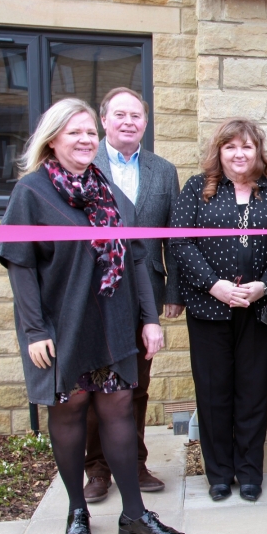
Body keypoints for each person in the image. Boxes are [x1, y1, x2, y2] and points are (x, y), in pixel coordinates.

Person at [0, 98, 185, 534]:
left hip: (113, 324)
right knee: (70, 413)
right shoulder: (33, 193)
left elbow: (137, 259)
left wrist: (148, 319)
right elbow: (20, 266)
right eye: (73, 132)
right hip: (63, 326)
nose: (84, 140)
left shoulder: (108, 191)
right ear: (53, 139)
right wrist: (34, 331)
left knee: (120, 410)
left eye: (87, 133)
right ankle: (76, 510)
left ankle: (135, 513)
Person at [171, 118, 267, 503]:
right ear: (218, 152)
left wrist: (264, 285)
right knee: (213, 392)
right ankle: (220, 473)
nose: (239, 154)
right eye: (230, 147)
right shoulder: (196, 189)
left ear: (259, 152)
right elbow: (180, 244)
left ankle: (250, 472)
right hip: (208, 307)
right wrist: (214, 285)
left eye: (247, 147)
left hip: (256, 310)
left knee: (253, 392)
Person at [83, 87, 184, 504]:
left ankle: (134, 462)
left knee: (137, 385)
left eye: (136, 116)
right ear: (104, 120)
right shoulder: (85, 164)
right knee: (93, 382)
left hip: (147, 291)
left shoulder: (163, 170)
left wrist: (173, 291)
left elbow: (174, 238)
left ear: (145, 122)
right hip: (93, 292)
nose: (128, 122)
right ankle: (98, 470)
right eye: (120, 115)